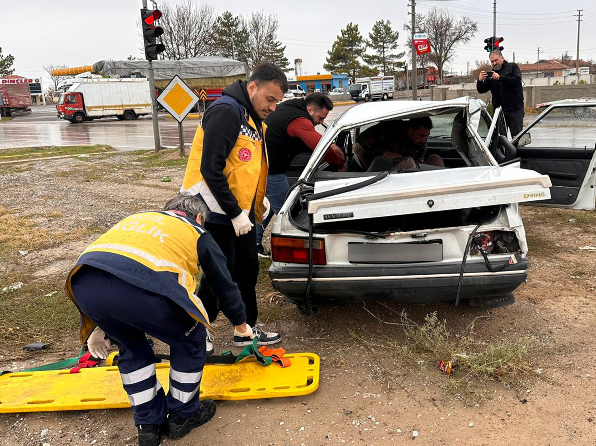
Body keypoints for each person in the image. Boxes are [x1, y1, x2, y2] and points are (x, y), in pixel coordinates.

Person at [65, 194, 253, 446]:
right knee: (191, 340)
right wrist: (241, 324)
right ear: (199, 218)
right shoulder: (196, 232)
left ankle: (147, 426)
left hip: (84, 285)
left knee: (132, 348)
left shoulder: (138, 217)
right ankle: (182, 416)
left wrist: (97, 324)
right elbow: (223, 284)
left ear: (168, 210)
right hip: (144, 291)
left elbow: (111, 265)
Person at [181, 62, 286, 346]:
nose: (274, 107)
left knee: (247, 270)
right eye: (270, 99)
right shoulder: (226, 111)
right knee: (220, 275)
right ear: (252, 87)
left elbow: (243, 166)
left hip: (238, 212)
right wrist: (236, 213)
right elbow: (211, 169)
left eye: (278, 102)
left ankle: (247, 329)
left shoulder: (250, 116)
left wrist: (255, 198)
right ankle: (194, 329)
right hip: (213, 212)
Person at [256, 92, 345, 257]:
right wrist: (339, 165)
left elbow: (306, 143)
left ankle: (254, 245)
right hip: (271, 172)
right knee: (288, 212)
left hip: (264, 168)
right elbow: (321, 149)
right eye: (320, 118)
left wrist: (331, 143)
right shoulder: (299, 120)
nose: (321, 122)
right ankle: (301, 254)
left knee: (266, 208)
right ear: (310, 109)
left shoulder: (292, 110)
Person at [351, 117, 443, 173]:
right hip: (363, 162)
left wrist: (415, 166)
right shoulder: (391, 127)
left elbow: (418, 159)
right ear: (410, 130)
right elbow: (361, 139)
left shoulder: (421, 143)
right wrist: (385, 153)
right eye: (421, 135)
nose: (424, 140)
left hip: (394, 168)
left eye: (427, 136)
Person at [476, 49, 525, 137]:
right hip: (499, 112)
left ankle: (518, 151)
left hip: (515, 110)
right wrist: (479, 80)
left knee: (517, 137)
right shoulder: (491, 74)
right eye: (492, 61)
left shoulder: (512, 67)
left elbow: (517, 81)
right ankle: (504, 151)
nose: (494, 63)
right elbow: (481, 90)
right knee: (501, 139)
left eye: (496, 60)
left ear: (502, 58)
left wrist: (500, 78)